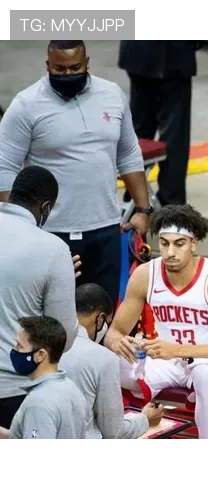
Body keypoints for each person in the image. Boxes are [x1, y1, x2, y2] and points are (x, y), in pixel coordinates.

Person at [0, 40, 151, 311]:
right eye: (60, 69)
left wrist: (142, 210)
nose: (68, 74)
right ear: (48, 65)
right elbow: (4, 166)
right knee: (51, 318)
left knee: (104, 315)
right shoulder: (26, 105)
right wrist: (16, 226)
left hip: (106, 229)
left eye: (75, 68)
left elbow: (128, 153)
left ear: (87, 63)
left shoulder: (112, 95)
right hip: (50, 233)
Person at [104, 205, 208, 440]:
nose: (170, 252)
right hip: (165, 360)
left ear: (194, 243)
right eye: (164, 243)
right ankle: (118, 434)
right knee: (105, 365)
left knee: (204, 374)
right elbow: (114, 333)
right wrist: (121, 344)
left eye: (179, 244)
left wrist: (177, 350)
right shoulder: (145, 274)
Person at [0, 166, 79, 430]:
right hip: (14, 390)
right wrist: (63, 282)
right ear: (46, 208)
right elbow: (61, 337)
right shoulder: (54, 250)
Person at [59, 283, 164, 439]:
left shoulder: (43, 342)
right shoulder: (104, 358)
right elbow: (114, 432)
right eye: (107, 322)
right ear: (100, 318)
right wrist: (146, 418)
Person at [119, 40, 201, 206]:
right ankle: (171, 202)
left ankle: (134, 199)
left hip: (137, 52)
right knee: (174, 135)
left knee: (140, 129)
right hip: (173, 53)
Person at [0, 316, 89, 440]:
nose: (14, 350)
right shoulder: (72, 389)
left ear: (40, 355)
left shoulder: (38, 404)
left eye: (19, 345)